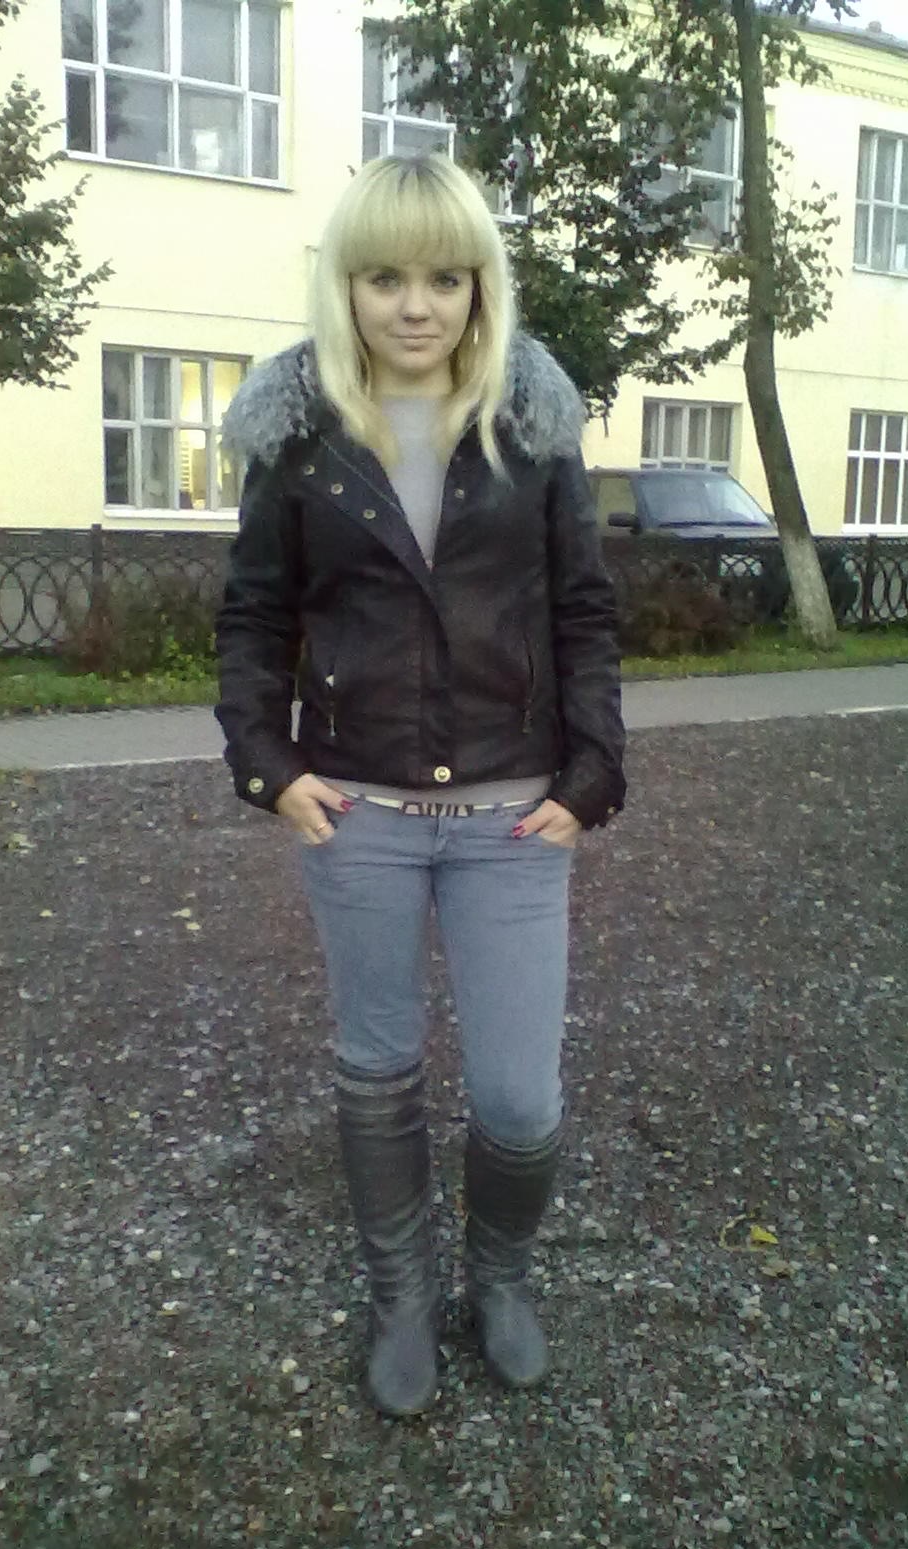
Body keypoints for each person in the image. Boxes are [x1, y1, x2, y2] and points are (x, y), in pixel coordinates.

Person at [215, 153, 626, 1419]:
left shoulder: (530, 427)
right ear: (346, 284)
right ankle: (402, 1293)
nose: (415, 304)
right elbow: (254, 614)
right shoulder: (298, 438)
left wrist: (593, 770)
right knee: (378, 1065)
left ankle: (498, 1277)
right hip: (360, 816)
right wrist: (268, 764)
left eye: (445, 278)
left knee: (518, 1098)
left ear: (479, 285)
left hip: (513, 818)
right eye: (386, 276)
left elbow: (582, 609)